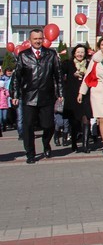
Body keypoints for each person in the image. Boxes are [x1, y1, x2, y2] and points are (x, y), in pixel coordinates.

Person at [12, 29, 64, 164]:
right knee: (28, 126)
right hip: (29, 97)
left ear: (43, 39)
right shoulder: (23, 55)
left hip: (46, 96)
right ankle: (30, 153)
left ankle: (46, 143)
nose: (37, 41)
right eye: (35, 39)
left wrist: (60, 93)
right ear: (30, 40)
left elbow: (58, 75)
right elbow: (17, 77)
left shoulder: (50, 54)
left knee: (48, 125)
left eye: (40, 38)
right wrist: (15, 94)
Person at [62, 45, 92, 152]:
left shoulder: (89, 64)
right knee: (74, 121)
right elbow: (59, 75)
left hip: (86, 95)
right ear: (74, 53)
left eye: (82, 52)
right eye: (78, 52)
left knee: (86, 119)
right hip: (72, 95)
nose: (80, 54)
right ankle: (74, 142)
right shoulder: (68, 64)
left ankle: (85, 144)